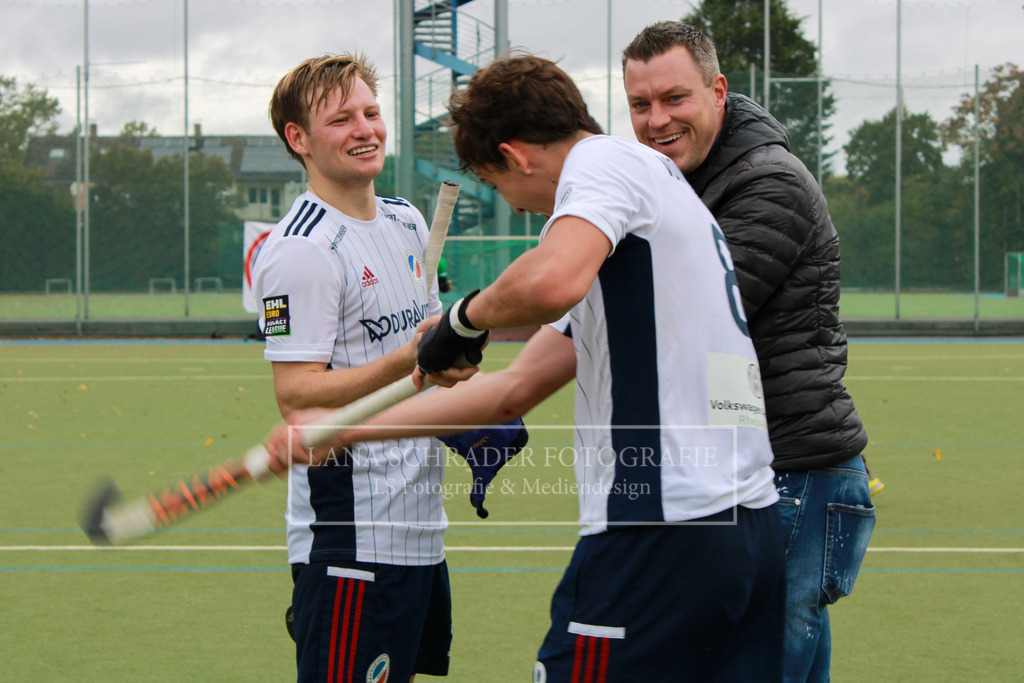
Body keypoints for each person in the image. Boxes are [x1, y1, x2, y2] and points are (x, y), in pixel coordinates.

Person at [268, 52, 786, 682]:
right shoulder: (638, 209)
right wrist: (336, 432)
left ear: (516, 157)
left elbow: (548, 281)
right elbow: (511, 389)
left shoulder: (601, 168)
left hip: (659, 524)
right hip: (743, 526)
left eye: (498, 183)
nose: (516, 208)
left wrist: (464, 319)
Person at [621, 21, 876, 682]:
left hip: (793, 473)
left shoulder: (768, 183)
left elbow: (681, 315)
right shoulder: (691, 181)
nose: (656, 120)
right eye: (640, 105)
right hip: (749, 474)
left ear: (718, 91)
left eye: (674, 98)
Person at [253, 52, 465, 683]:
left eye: (371, 112)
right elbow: (297, 398)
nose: (366, 129)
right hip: (351, 539)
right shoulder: (298, 251)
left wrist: (459, 390)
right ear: (299, 139)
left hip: (421, 528)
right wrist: (409, 359)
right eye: (342, 119)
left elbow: (432, 362)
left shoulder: (406, 221)